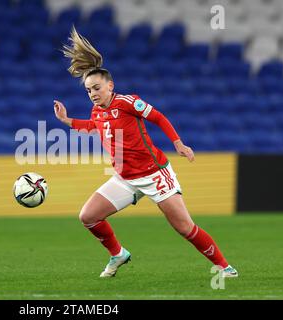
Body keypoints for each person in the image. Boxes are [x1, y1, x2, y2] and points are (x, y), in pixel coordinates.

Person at [53, 27, 238, 278]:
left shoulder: (128, 102)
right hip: (125, 178)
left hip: (155, 175)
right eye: (88, 90)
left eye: (97, 88)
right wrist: (66, 121)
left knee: (184, 227)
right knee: (88, 216)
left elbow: (159, 117)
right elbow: (93, 127)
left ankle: (225, 268)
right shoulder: (97, 112)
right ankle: (118, 254)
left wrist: (178, 143)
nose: (93, 94)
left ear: (110, 85)